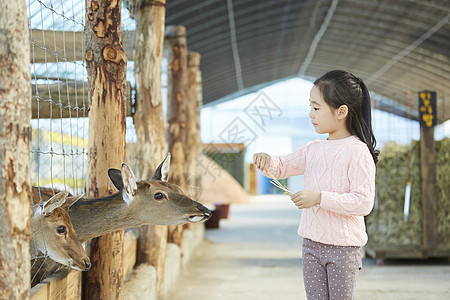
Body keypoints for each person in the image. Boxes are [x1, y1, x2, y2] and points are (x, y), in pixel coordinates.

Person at [253, 70, 378, 299]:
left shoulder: (358, 152)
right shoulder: (313, 150)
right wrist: (266, 159)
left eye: (316, 108)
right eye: (310, 106)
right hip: (311, 246)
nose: (310, 114)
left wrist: (319, 198)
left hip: (344, 250)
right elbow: (281, 167)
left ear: (341, 112)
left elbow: (363, 203)